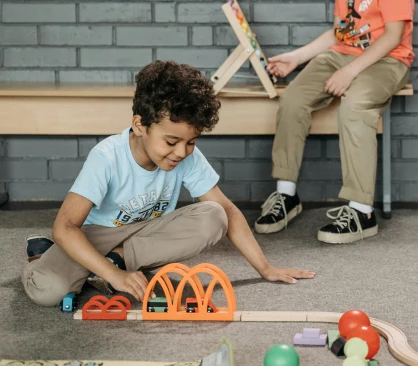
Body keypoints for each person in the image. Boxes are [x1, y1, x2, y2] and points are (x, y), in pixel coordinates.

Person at [23, 60, 314, 307]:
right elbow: (65, 226)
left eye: (191, 142)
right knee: (47, 291)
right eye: (171, 141)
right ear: (140, 125)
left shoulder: (186, 154)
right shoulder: (107, 156)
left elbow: (227, 210)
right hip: (97, 235)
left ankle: (115, 261)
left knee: (214, 215)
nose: (182, 152)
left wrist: (265, 268)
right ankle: (45, 255)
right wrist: (115, 278)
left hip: (142, 236)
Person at [254, 0, 414, 244]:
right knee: (293, 100)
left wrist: (352, 71)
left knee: (355, 108)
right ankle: (286, 194)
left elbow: (392, 37)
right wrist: (297, 57)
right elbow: (341, 32)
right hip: (345, 54)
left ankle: (361, 211)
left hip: (386, 60)